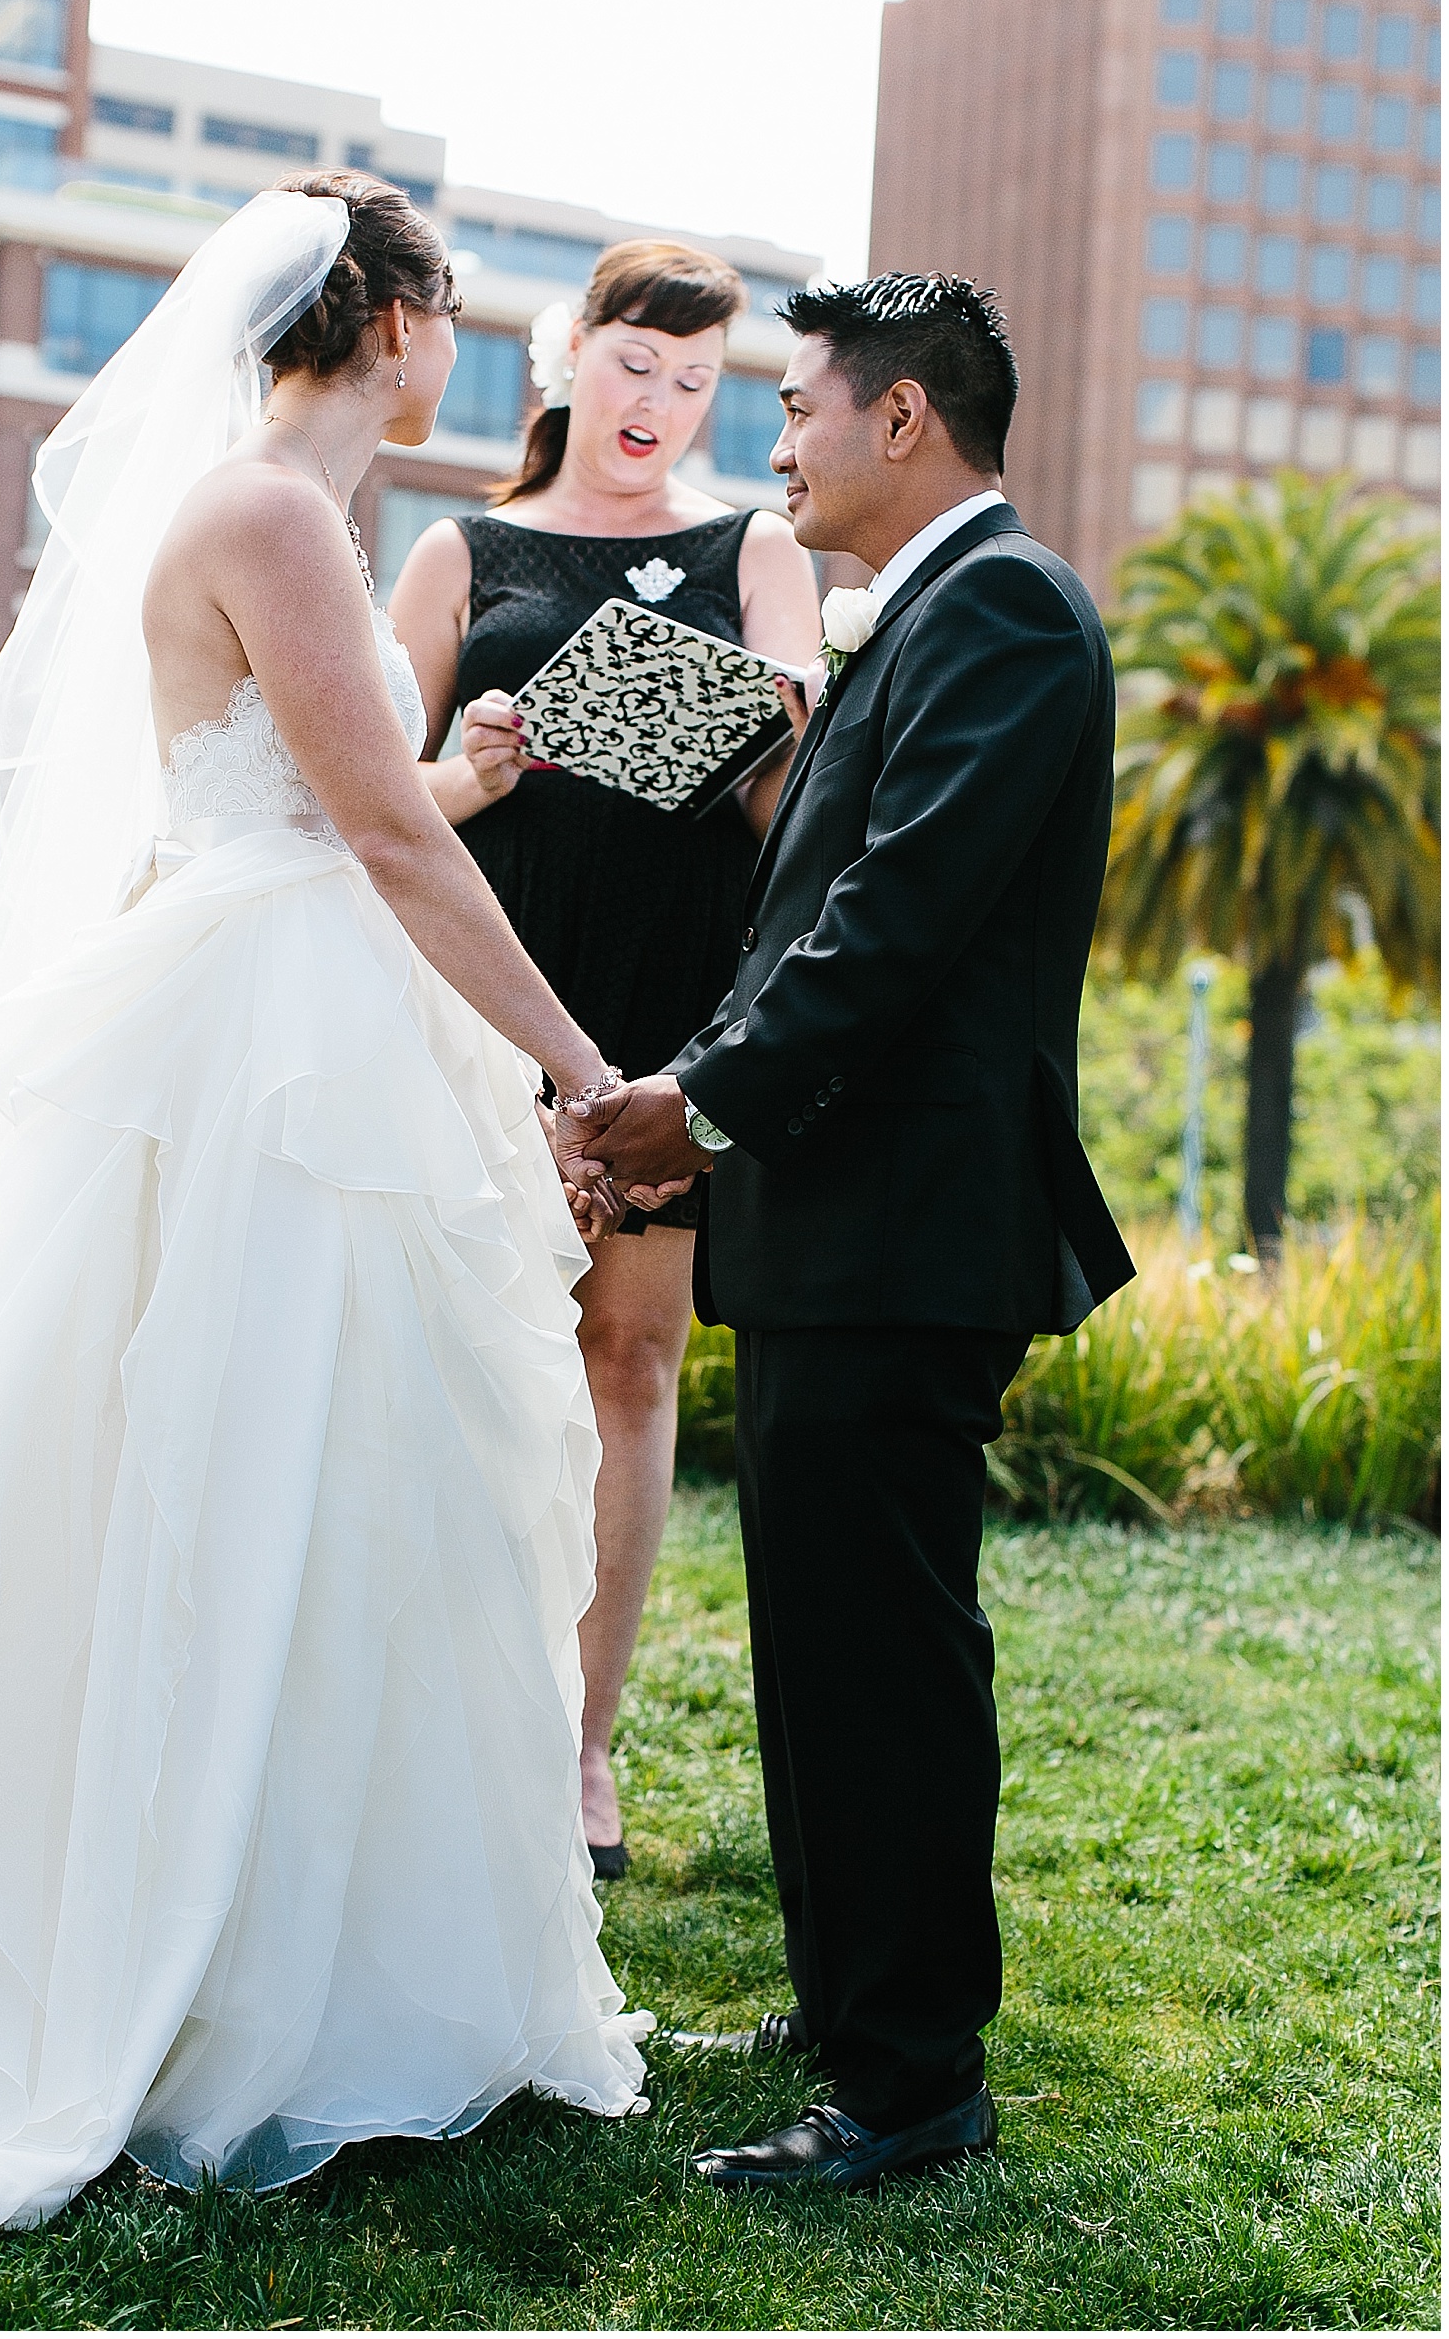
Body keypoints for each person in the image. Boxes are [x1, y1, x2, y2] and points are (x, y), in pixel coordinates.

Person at [0, 178, 651, 2270]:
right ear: (381, 317)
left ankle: (318, 1942)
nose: (463, 341)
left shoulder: (260, 515)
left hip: (279, 998)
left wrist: (456, 787)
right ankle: (208, 1962)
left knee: (329, 1472)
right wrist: (586, 1069)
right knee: (247, 1463)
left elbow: (322, 796)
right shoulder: (272, 515)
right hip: (264, 1045)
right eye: (448, 307)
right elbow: (367, 830)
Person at [563, 272, 1133, 2194]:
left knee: (881, 1654)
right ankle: (846, 2006)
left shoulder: (1012, 615)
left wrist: (693, 1104)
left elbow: (890, 925)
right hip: (836, 1222)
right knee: (819, 1646)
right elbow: (812, 907)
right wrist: (705, 1113)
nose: (777, 443)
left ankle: (908, 2083)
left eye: (799, 407)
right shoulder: (929, 621)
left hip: (911, 1230)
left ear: (904, 422)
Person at [385, 242, 822, 1882]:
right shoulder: (457, 550)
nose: (664, 403)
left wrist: (759, 728)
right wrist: (471, 767)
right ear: (570, 359)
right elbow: (366, 801)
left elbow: (802, 789)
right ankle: (433, 1725)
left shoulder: (754, 544)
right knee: (450, 1366)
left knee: (626, 1369)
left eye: (701, 381)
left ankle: (579, 1747)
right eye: (641, 364)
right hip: (477, 1010)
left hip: (672, 1016)